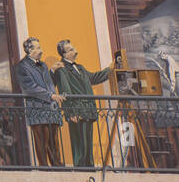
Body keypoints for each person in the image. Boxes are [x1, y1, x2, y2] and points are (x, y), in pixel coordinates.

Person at [53, 40, 113, 169]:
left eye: (73, 48)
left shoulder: (80, 67)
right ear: (64, 54)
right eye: (70, 50)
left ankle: (90, 169)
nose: (75, 51)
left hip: (88, 109)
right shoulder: (61, 70)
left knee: (88, 144)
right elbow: (65, 91)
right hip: (77, 111)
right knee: (79, 145)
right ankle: (81, 172)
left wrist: (110, 69)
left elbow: (94, 78)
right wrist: (71, 113)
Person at [16, 37, 64, 167]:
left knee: (54, 142)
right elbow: (30, 88)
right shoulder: (22, 66)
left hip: (51, 110)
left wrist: (52, 71)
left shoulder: (43, 65)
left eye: (40, 47)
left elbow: (48, 84)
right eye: (37, 48)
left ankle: (58, 166)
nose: (41, 50)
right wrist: (51, 96)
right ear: (29, 50)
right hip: (37, 110)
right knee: (42, 142)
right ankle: (44, 169)